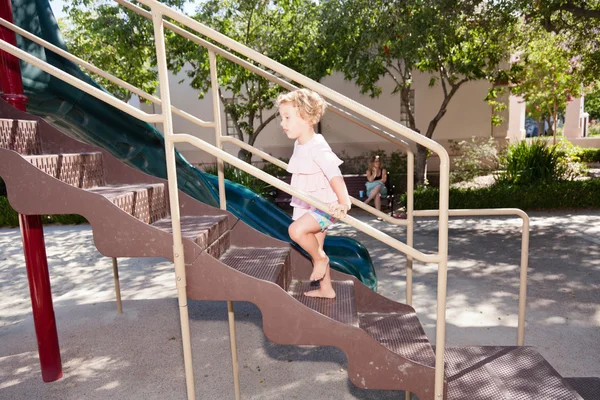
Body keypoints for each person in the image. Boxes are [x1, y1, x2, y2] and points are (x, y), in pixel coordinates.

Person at [277, 88, 351, 299]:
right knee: (316, 247)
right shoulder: (299, 144)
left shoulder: (317, 145)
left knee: (297, 232)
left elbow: (334, 174)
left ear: (306, 116)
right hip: (308, 203)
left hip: (324, 206)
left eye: (288, 117)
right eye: (282, 118)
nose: (283, 123)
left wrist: (344, 202)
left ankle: (321, 260)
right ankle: (326, 289)